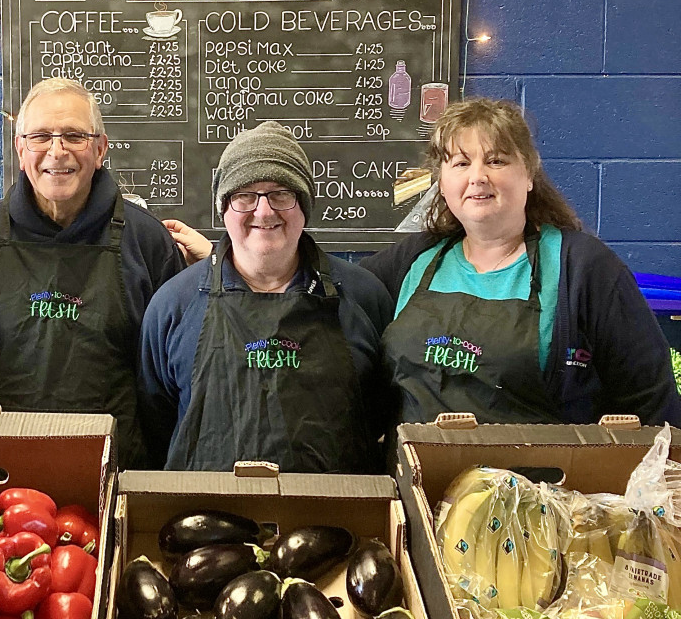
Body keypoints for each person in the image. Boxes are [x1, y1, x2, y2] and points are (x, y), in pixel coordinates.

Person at [360, 97, 681, 425]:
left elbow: (653, 402)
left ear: (528, 174)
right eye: (460, 163)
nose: (478, 177)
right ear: (442, 183)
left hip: (544, 477)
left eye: (496, 161)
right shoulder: (410, 261)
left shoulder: (584, 269)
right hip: (415, 473)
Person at [0, 78, 185, 467]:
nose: (57, 152)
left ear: (100, 149)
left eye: (74, 135)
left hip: (116, 471)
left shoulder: (149, 243)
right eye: (40, 136)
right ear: (20, 150)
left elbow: (167, 384)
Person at [138, 121, 394, 473]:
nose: (264, 211)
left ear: (303, 205)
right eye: (245, 195)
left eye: (281, 194)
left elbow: (383, 412)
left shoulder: (364, 297)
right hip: (204, 517)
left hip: (335, 518)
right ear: (224, 208)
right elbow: (157, 422)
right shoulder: (173, 305)